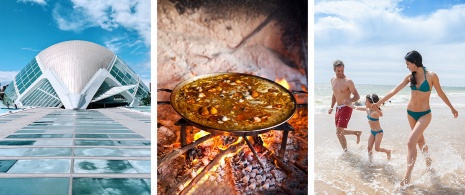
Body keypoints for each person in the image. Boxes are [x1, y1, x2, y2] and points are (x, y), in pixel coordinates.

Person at [372, 50, 458, 186]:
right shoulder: (409, 77)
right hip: (411, 113)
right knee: (419, 140)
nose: (407, 66)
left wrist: (452, 108)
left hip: (424, 114)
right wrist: (378, 102)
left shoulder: (431, 76)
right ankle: (428, 160)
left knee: (411, 141)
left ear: (415, 62)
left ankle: (407, 176)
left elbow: (440, 93)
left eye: (408, 64)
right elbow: (394, 90)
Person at [329, 60, 362, 152]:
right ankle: (356, 133)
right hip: (338, 108)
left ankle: (346, 152)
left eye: (342, 71)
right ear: (334, 70)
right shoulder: (332, 79)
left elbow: (357, 96)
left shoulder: (348, 81)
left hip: (346, 107)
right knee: (340, 131)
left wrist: (350, 100)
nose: (340, 73)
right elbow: (335, 94)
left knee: (338, 132)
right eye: (338, 71)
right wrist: (331, 107)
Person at [351, 94, 391, 162]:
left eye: (366, 101)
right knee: (369, 148)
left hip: (378, 132)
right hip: (372, 132)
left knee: (377, 149)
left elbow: (381, 115)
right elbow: (356, 108)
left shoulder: (375, 112)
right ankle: (370, 162)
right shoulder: (367, 110)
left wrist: (376, 108)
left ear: (371, 102)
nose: (365, 103)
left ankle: (388, 151)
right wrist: (349, 105)